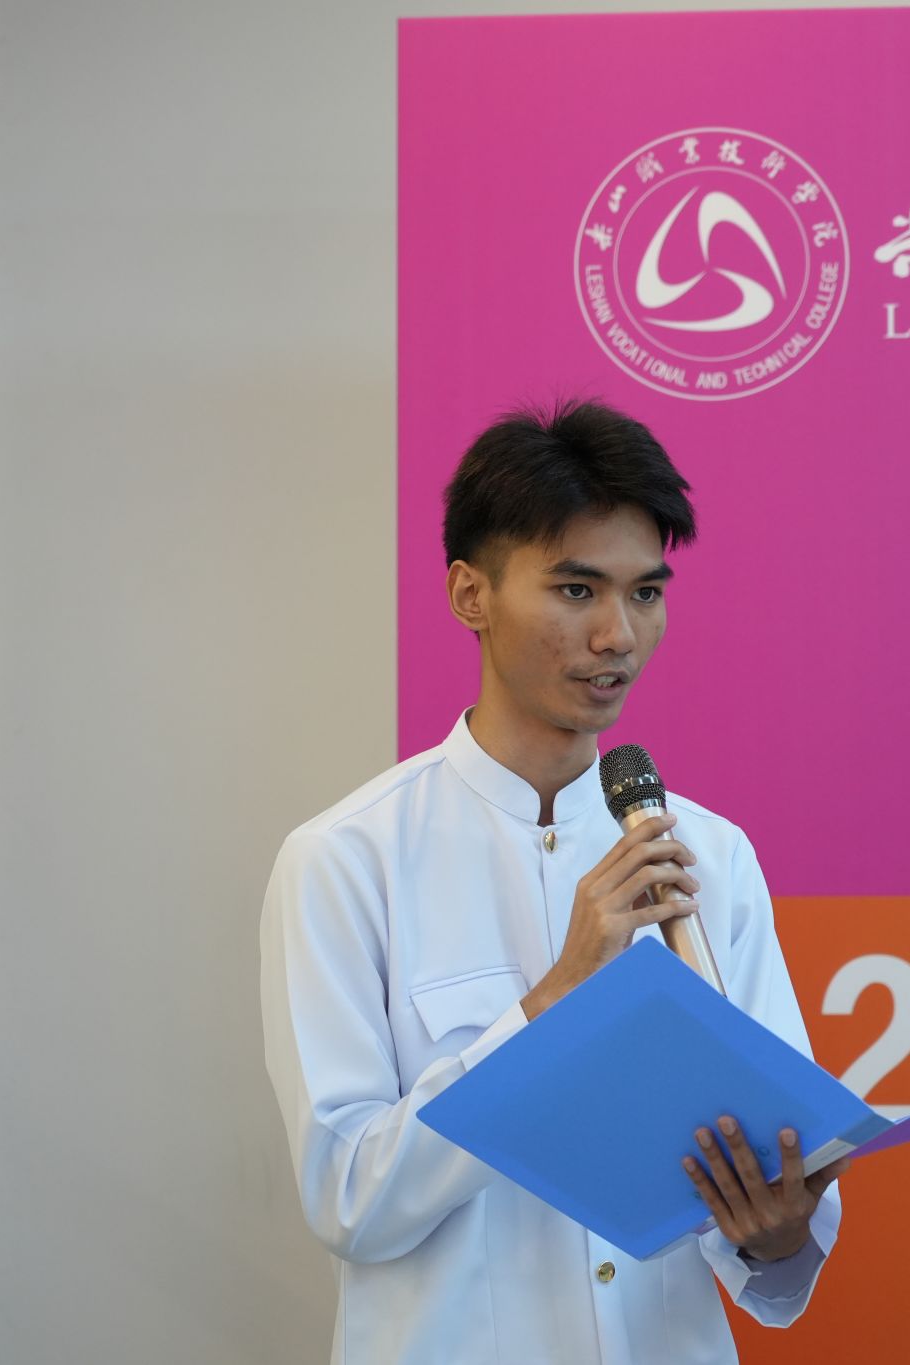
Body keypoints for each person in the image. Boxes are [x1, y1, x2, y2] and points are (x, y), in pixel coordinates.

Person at [259, 400, 847, 1364]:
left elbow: (779, 1214)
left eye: (646, 592)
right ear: (471, 593)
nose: (619, 634)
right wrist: (557, 995)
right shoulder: (347, 859)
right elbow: (350, 1198)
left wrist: (776, 1231)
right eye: (577, 589)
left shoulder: (710, 854)